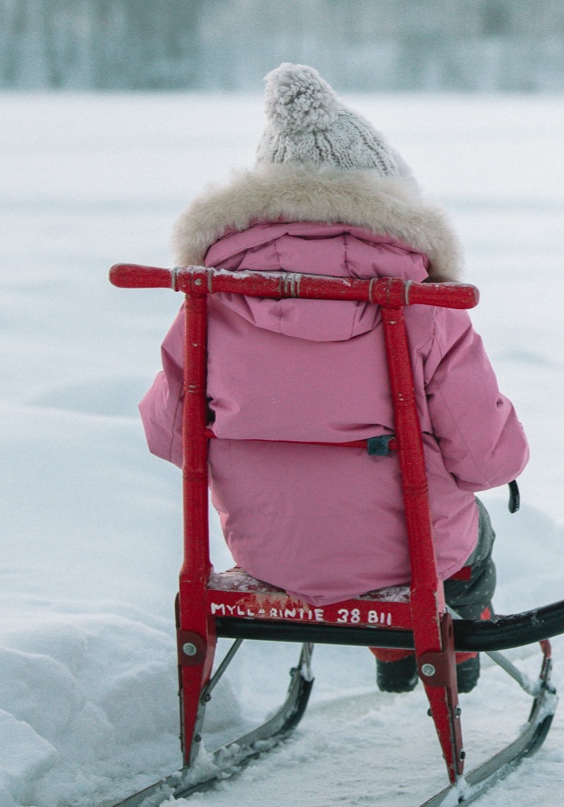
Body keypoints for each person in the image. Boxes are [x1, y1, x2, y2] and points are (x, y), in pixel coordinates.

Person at [139, 64, 527, 693]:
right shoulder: (421, 307)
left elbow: (170, 438)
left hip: (271, 554)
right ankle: (437, 648)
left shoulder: (206, 307)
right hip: (412, 559)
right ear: (388, 198)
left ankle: (395, 647)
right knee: (471, 535)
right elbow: (487, 459)